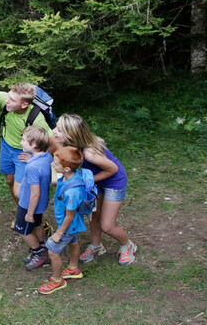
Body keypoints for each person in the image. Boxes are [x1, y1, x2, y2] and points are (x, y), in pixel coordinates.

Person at [51, 113, 137, 265]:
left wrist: (84, 181)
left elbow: (113, 170)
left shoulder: (89, 154)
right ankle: (97, 246)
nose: (53, 131)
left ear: (71, 135)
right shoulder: (68, 146)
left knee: (107, 225)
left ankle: (127, 245)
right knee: (94, 216)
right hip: (94, 180)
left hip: (113, 182)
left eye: (58, 130)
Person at [40, 146, 88, 294]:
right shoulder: (71, 176)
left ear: (67, 168)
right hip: (73, 224)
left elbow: (69, 216)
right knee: (73, 242)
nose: (52, 164)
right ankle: (73, 268)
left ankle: (57, 280)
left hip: (68, 226)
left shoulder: (72, 192)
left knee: (52, 251)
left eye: (55, 163)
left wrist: (59, 233)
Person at [17, 126, 55, 270]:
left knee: (22, 230)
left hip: (29, 204)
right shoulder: (47, 157)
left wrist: (29, 213)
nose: (21, 142)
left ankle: (39, 253)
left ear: (34, 144)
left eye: (23, 140)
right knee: (38, 224)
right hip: (41, 204)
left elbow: (35, 194)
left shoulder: (32, 167)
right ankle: (42, 245)